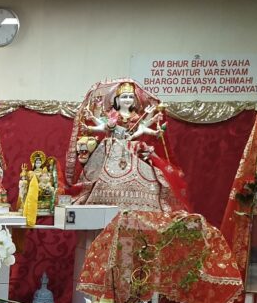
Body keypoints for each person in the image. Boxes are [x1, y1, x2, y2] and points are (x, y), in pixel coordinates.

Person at [68, 79, 188, 212]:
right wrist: (95, 112)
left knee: (148, 177)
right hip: (111, 148)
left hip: (133, 149)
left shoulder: (135, 116)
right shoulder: (112, 115)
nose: (128, 100)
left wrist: (151, 117)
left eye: (131, 97)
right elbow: (102, 125)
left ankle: (140, 205)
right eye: (124, 97)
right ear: (117, 100)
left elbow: (142, 127)